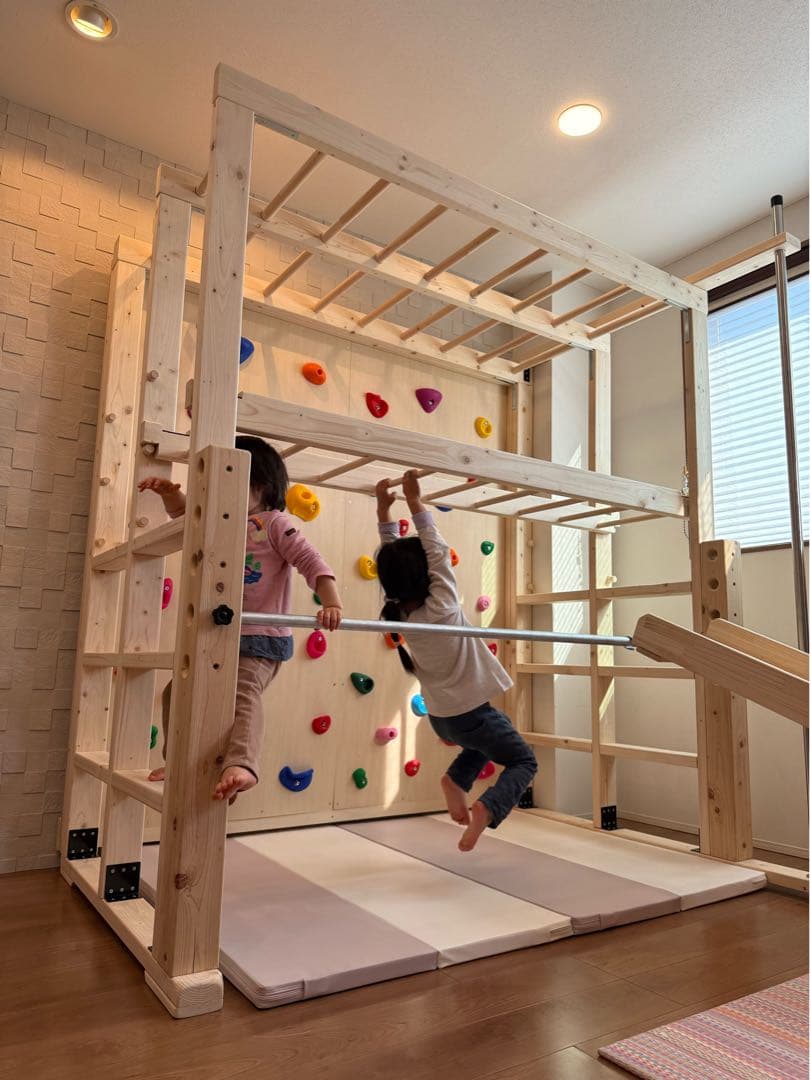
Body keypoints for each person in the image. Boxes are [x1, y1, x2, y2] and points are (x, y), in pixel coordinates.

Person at [139, 435, 342, 803]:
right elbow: (186, 517)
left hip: (261, 636)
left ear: (261, 487)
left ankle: (242, 764)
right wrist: (171, 495)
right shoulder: (221, 520)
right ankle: (180, 759)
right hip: (217, 633)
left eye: (231, 484)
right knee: (178, 691)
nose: (220, 494)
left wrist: (331, 603)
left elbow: (311, 561)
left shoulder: (274, 523)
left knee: (242, 694)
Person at [375, 471, 537, 851]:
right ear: (428, 576)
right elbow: (436, 551)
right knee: (524, 761)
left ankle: (455, 781)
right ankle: (487, 807)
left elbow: (395, 564)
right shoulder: (443, 606)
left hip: (443, 719)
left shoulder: (401, 613)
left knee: (484, 741)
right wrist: (414, 502)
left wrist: (384, 512)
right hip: (469, 715)